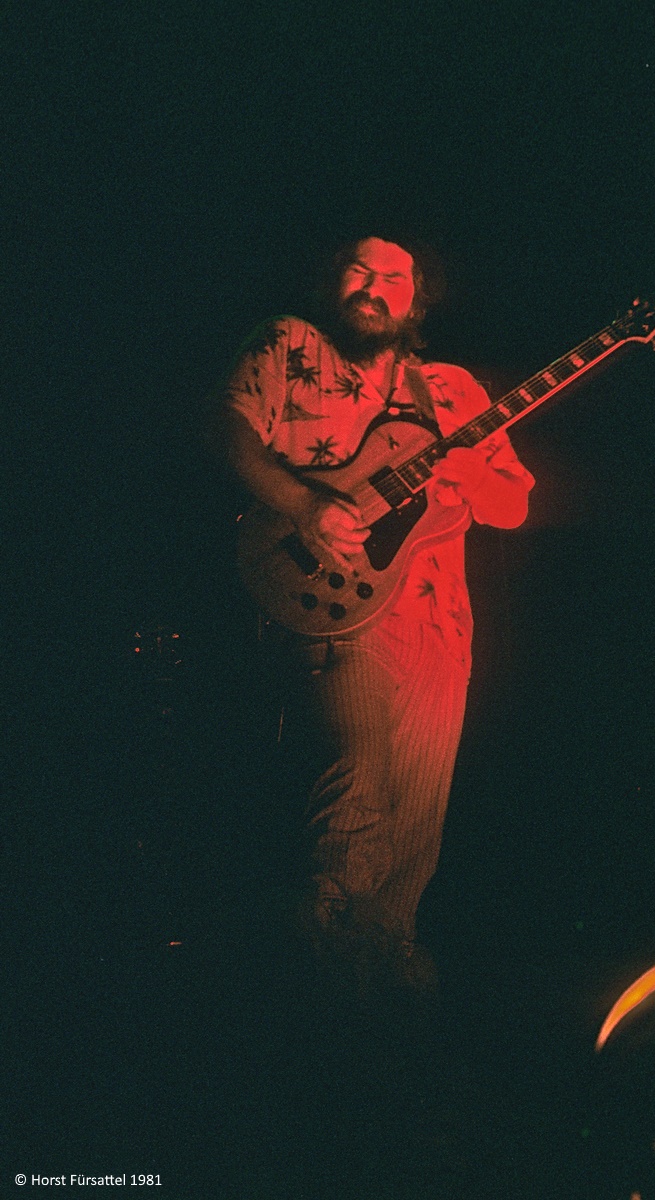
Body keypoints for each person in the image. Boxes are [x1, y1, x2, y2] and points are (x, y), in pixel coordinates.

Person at [220, 236, 534, 1002]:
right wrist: (304, 504)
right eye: (361, 269)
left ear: (415, 298)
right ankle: (318, 978)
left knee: (417, 819)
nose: (374, 287)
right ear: (336, 278)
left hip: (440, 623)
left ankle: (380, 994)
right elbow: (222, 430)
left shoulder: (452, 389)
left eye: (395, 277)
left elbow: (513, 504)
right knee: (355, 779)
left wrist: (466, 472)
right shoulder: (288, 342)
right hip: (332, 604)